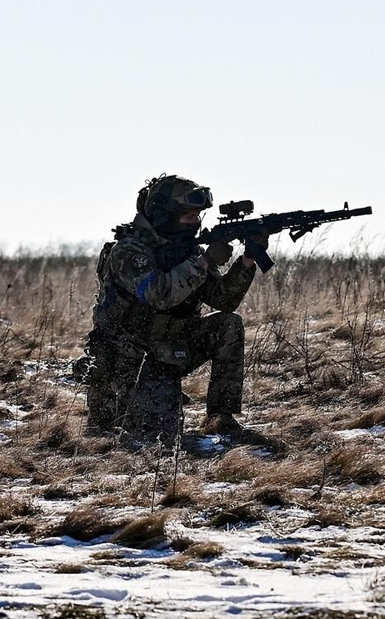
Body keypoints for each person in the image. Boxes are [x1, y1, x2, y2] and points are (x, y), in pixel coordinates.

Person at [82, 174, 271, 445]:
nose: (195, 223)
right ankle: (114, 413)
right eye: (188, 217)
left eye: (197, 217)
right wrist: (206, 260)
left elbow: (224, 300)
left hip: (170, 350)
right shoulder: (128, 252)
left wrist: (249, 259)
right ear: (164, 216)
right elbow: (159, 294)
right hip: (129, 362)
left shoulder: (187, 252)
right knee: (159, 440)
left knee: (228, 324)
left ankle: (221, 418)